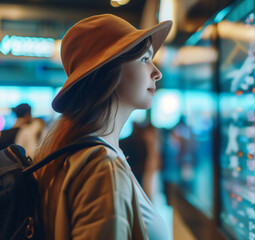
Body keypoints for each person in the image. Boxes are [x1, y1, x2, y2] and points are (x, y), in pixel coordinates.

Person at [34, 14, 172, 240]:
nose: (157, 73)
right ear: (110, 70)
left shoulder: (70, 152)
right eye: (144, 59)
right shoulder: (102, 166)